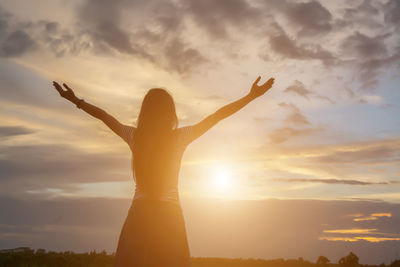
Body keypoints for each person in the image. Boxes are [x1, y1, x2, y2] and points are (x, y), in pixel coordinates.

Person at [52, 76, 274, 266]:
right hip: (170, 218)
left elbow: (104, 116)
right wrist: (250, 96)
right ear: (170, 113)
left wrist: (75, 100)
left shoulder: (134, 136)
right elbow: (218, 115)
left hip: (140, 216)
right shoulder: (180, 137)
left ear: (145, 112)